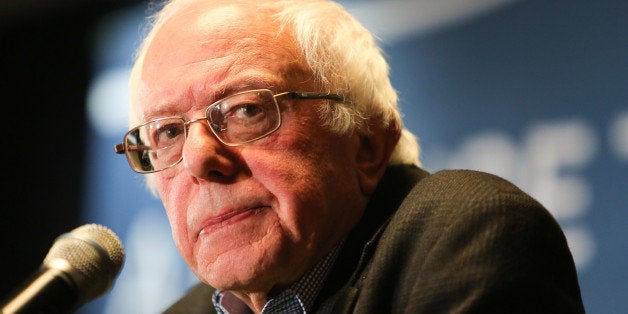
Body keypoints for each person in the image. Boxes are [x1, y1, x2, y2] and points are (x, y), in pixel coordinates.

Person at [114, 0, 585, 313]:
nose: (199, 159)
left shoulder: (469, 236)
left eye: (246, 110)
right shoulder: (187, 312)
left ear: (367, 144)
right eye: (169, 132)